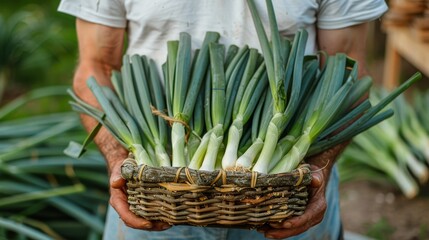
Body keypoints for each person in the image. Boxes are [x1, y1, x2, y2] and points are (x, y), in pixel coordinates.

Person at [58, 1, 387, 239]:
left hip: (284, 193)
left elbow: (348, 74)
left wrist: (319, 170)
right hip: (158, 193)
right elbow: (95, 68)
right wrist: (118, 160)